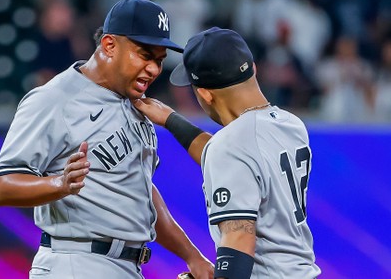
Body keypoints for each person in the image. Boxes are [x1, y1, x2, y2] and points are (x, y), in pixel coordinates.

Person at [0, 0, 213, 279]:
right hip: (75, 261)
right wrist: (60, 183)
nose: (154, 69)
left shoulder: (136, 104)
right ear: (109, 45)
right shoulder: (55, 99)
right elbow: (1, 186)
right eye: (145, 55)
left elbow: (140, 191)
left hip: (128, 265)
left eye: (159, 60)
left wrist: (192, 256)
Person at [133, 27, 321, 279]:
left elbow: (239, 236)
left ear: (205, 94)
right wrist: (171, 119)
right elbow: (237, 161)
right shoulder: (290, 124)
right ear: (252, 68)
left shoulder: (231, 146)